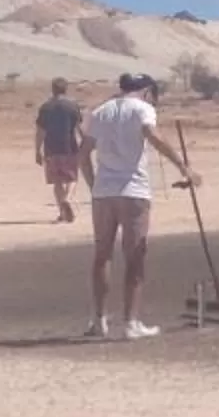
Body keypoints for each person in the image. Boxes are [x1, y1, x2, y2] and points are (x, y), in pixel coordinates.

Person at [79, 73, 196, 340]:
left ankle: (98, 320)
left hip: (104, 193)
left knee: (102, 255)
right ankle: (131, 322)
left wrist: (94, 183)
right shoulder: (143, 109)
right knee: (134, 256)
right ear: (146, 92)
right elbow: (152, 135)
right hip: (133, 191)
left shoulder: (101, 111)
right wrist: (182, 165)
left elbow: (82, 153)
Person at [32, 77, 87, 223]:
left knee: (57, 181)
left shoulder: (46, 107)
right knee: (72, 178)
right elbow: (79, 127)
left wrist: (37, 150)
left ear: (52, 89)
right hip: (69, 147)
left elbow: (40, 131)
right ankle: (67, 199)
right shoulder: (72, 106)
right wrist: (86, 142)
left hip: (51, 148)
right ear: (65, 89)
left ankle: (62, 211)